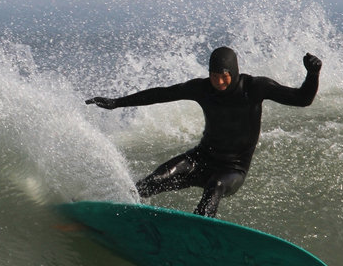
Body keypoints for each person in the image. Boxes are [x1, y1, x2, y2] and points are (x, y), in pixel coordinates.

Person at [87, 47, 322, 217]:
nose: (219, 82)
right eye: (214, 75)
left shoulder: (255, 87)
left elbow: (301, 100)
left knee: (216, 186)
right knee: (154, 180)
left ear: (234, 72)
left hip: (233, 170)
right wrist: (116, 102)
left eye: (224, 76)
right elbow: (161, 94)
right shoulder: (203, 88)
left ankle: (200, 231)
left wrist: (312, 75)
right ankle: (110, 212)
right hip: (201, 158)